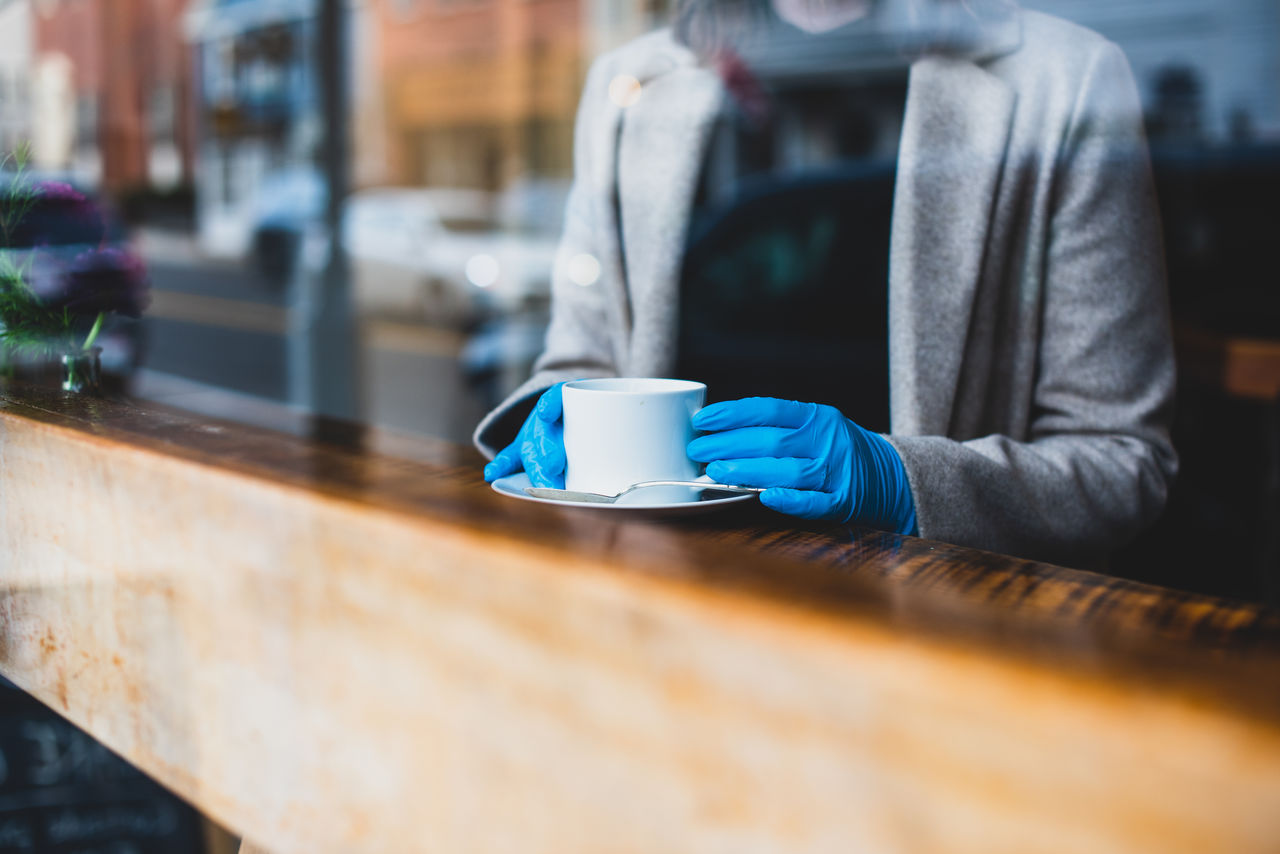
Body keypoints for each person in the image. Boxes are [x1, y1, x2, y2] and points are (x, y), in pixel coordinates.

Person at [475, 0, 1177, 570]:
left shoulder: (1066, 79)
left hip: (932, 638)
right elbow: (582, 359)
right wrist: (560, 417)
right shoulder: (631, 83)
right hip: (659, 606)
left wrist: (903, 481)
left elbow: (1120, 461)